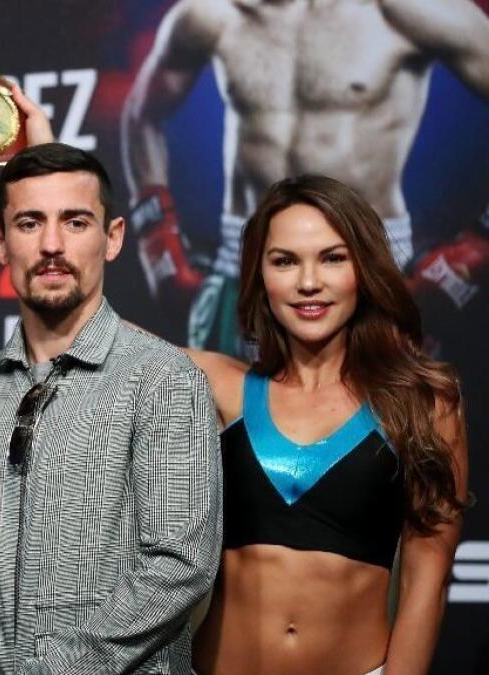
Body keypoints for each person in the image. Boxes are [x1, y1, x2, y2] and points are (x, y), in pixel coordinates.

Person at [0, 142, 222, 674]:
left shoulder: (164, 380)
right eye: (29, 223)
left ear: (111, 238)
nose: (51, 244)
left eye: (74, 222)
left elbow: (179, 564)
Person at [186, 175, 469, 675]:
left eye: (332, 258)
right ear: (258, 276)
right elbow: (96, 330)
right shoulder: (220, 386)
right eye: (284, 261)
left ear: (363, 268)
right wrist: (54, 171)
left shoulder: (424, 401)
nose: (308, 282)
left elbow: (429, 578)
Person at [121, 0, 489, 355]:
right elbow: (142, 114)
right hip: (243, 259)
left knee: (378, 416)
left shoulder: (411, 10)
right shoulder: (214, 13)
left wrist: (477, 247)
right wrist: (157, 240)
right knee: (222, 413)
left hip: (369, 261)